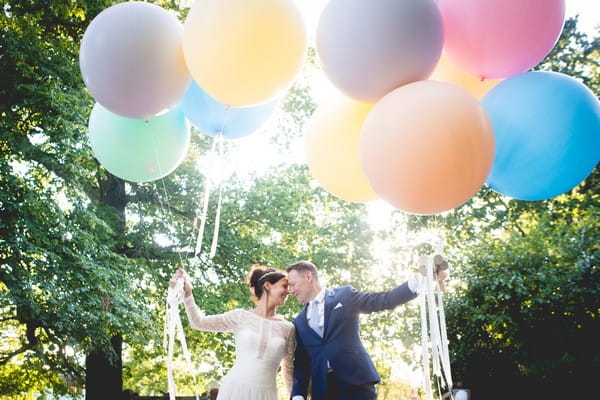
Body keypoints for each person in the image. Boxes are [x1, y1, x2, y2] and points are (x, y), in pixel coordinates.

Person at [286, 260, 427, 400]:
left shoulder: (344, 295)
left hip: (356, 383)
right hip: (322, 391)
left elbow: (381, 300)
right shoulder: (300, 321)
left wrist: (416, 282)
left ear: (308, 276)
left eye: (293, 284)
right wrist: (298, 394)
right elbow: (302, 362)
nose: (291, 291)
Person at [170, 265, 295, 400]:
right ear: (267, 286)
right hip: (235, 390)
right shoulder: (239, 317)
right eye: (284, 286)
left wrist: (295, 396)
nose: (288, 292)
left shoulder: (287, 328)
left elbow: (288, 369)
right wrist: (188, 294)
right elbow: (198, 322)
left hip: (267, 395)